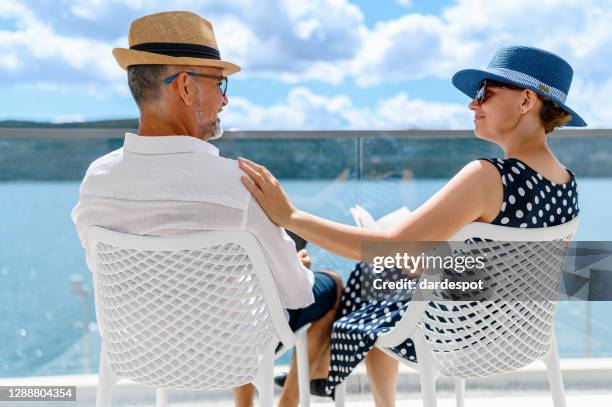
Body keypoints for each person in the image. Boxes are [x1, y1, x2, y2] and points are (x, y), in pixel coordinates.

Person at [238, 45, 585, 406]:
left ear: (526, 101)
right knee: (386, 274)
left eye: (484, 93)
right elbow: (502, 267)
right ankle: (325, 371)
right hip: (519, 336)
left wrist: (291, 216)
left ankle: (325, 371)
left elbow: (389, 244)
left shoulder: (487, 177)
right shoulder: (566, 184)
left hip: (455, 337)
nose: (472, 104)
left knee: (369, 276)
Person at [70, 11, 342, 407]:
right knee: (327, 284)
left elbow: (111, 271)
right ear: (184, 86)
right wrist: (293, 265)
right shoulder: (239, 184)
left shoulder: (96, 179)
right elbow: (298, 294)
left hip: (137, 353)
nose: (226, 98)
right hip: (231, 355)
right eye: (219, 83)